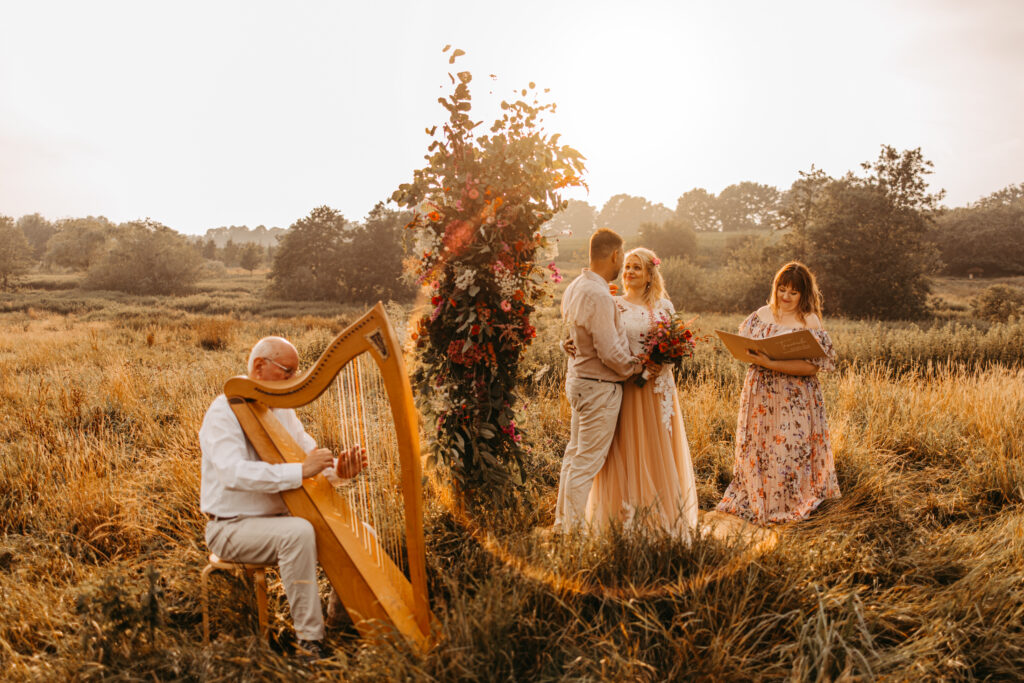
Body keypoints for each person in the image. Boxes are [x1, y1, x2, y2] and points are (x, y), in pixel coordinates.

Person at [199, 335, 367, 660]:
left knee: (361, 534)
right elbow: (233, 473)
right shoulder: (222, 413)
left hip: (279, 521)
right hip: (230, 528)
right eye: (287, 371)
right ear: (260, 367)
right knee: (298, 533)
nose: (295, 380)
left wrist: (339, 472)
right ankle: (310, 644)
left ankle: (340, 623)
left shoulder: (282, 411)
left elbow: (311, 464)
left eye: (297, 372)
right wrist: (301, 471)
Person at [583, 247, 699, 539]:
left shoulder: (664, 307)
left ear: (650, 274)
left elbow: (676, 341)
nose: (630, 272)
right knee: (624, 448)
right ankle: (621, 520)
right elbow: (594, 337)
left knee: (658, 449)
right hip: (626, 387)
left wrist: (666, 360)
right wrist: (571, 345)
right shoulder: (613, 304)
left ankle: (662, 519)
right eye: (627, 267)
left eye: (637, 268)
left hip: (659, 390)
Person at [715, 262, 841, 525]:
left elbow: (811, 367)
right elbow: (744, 349)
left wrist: (771, 363)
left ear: (804, 295)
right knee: (760, 445)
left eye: (793, 293)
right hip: (761, 392)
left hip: (795, 395)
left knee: (791, 447)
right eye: (782, 290)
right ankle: (758, 495)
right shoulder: (762, 314)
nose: (785, 297)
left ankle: (789, 501)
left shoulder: (809, 321)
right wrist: (752, 354)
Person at [554, 228, 644, 533]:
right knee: (585, 463)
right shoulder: (599, 295)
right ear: (616, 255)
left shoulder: (574, 287)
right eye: (623, 258)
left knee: (573, 456)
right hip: (599, 388)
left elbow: (572, 333)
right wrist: (636, 367)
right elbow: (611, 353)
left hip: (577, 381)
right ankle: (572, 536)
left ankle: (561, 525)